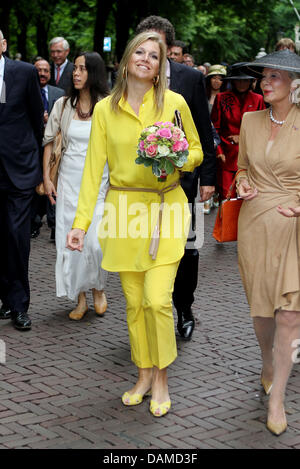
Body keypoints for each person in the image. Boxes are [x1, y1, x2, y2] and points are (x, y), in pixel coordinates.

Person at [66, 32, 203, 417]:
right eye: (139, 53)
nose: (146, 59)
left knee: (157, 300)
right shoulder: (107, 110)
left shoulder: (174, 104)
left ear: (161, 67)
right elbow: (93, 171)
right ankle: (142, 373)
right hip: (122, 212)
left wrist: (178, 155)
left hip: (166, 211)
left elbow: (196, 150)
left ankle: (161, 377)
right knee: (133, 304)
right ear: (126, 61)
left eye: (154, 56)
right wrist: (80, 224)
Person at [136, 15, 216, 341]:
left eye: (154, 43)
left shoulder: (188, 79)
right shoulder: (132, 79)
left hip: (182, 184)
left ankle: (184, 307)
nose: (146, 53)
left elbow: (203, 132)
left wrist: (208, 177)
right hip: (140, 184)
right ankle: (149, 310)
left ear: (168, 47)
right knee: (143, 247)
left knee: (187, 248)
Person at [236, 49, 300, 436]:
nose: (267, 81)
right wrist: (242, 182)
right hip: (256, 220)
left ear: (295, 85)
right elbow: (242, 167)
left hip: (294, 222)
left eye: (277, 76)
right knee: (262, 309)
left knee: (290, 313)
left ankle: (277, 398)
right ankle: (268, 360)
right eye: (265, 76)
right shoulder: (249, 120)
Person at [43, 52, 109, 320]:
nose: (76, 73)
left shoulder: (107, 105)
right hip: (68, 180)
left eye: (82, 69)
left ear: (94, 73)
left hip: (100, 180)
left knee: (95, 242)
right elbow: (49, 140)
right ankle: (80, 298)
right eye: (75, 69)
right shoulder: (63, 104)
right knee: (70, 241)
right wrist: (47, 179)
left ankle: (98, 288)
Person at [0, 29, 44, 330]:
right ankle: (5, 299)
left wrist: (37, 166)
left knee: (17, 239)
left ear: (3, 45)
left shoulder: (24, 72)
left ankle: (18, 305)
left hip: (18, 170)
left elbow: (35, 117)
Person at [211, 63, 265, 201]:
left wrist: (241, 137)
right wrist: (219, 152)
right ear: (233, 81)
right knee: (226, 197)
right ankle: (225, 223)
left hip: (250, 157)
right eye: (239, 79)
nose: (242, 83)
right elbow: (214, 128)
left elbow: (262, 128)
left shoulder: (258, 99)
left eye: (245, 80)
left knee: (248, 197)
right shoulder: (221, 98)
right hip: (227, 155)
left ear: (251, 81)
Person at [31, 58, 65, 240]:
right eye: (39, 70)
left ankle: (53, 225)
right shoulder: (26, 91)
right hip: (32, 146)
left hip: (54, 148)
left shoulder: (58, 93)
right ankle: (34, 223)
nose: (42, 74)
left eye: (46, 70)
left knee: (53, 183)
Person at [203, 64, 227, 214]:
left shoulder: (226, 98)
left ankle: (217, 194)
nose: (217, 81)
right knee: (207, 166)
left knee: (221, 168)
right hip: (205, 136)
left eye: (220, 79)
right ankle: (207, 198)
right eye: (214, 78)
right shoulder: (202, 95)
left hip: (222, 138)